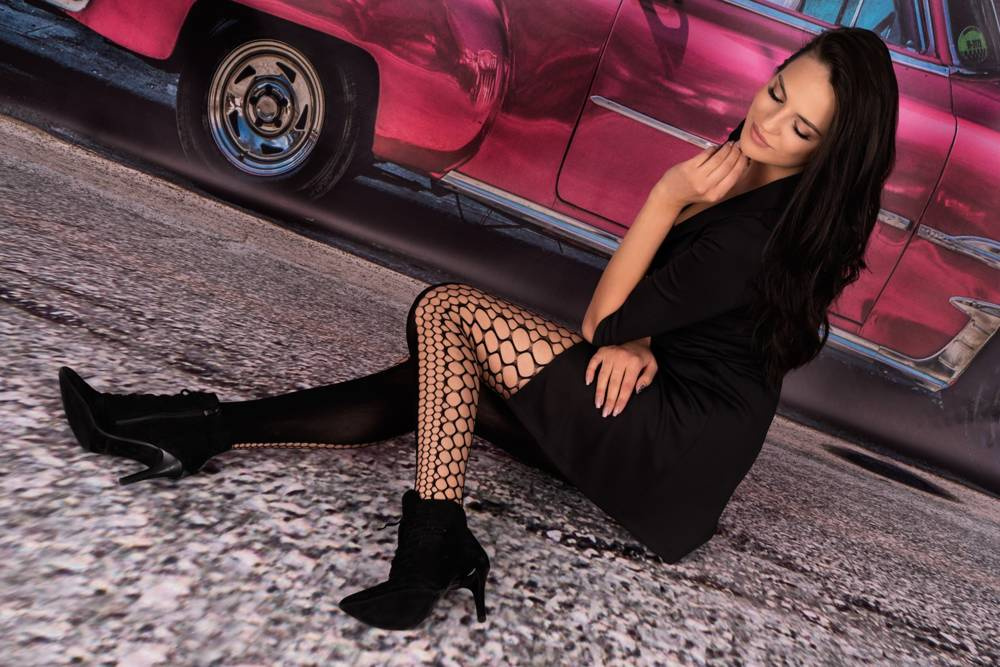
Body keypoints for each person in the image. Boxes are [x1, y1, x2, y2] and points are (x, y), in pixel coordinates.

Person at [57, 26, 898, 631]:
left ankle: (433, 542)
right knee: (437, 380)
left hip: (666, 445)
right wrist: (645, 337)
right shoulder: (760, 181)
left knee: (446, 312)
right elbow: (666, 310)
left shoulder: (756, 225)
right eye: (777, 92)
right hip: (670, 435)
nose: (769, 123)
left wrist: (666, 198)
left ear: (828, 152)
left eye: (800, 129)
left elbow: (602, 321)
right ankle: (194, 429)